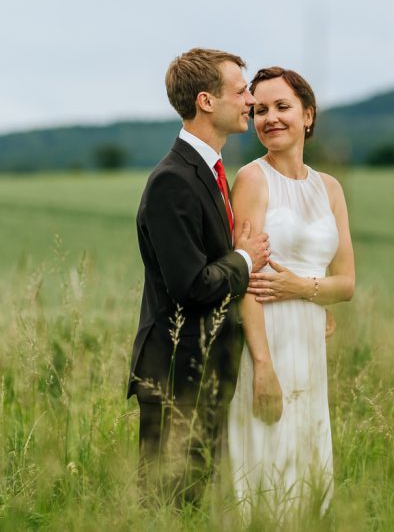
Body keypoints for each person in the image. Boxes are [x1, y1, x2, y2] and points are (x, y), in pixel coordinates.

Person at [129, 48, 271, 506]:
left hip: (206, 367)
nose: (250, 100)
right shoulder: (173, 180)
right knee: (169, 503)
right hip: (176, 372)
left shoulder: (208, 171)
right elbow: (191, 286)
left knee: (195, 499)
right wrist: (246, 259)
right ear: (207, 101)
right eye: (241, 91)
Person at [225, 66, 355, 517]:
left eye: (282, 107)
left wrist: (303, 288)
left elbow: (346, 283)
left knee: (307, 456)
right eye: (260, 109)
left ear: (308, 114)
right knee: (267, 458)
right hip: (268, 336)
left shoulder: (330, 188)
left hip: (310, 337)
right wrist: (262, 366)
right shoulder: (252, 180)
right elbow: (244, 281)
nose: (270, 118)